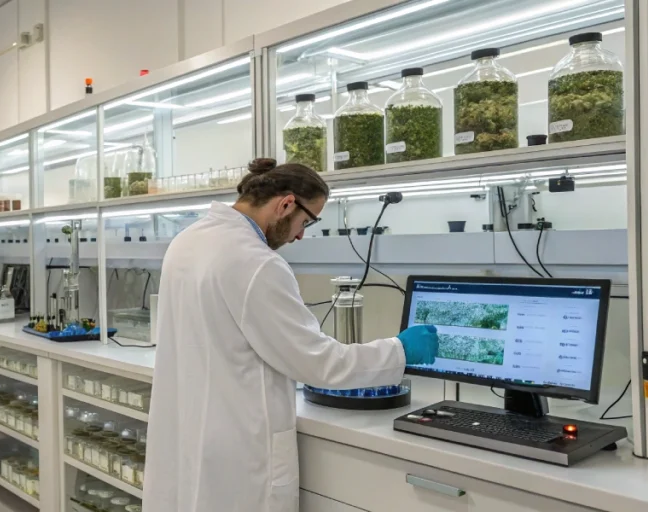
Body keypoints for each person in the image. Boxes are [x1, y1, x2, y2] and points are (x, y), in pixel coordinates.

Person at [142, 158, 439, 512]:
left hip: (194, 432)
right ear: (285, 204)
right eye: (306, 221)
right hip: (240, 451)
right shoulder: (257, 263)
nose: (300, 235)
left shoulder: (188, 240)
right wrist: (399, 350)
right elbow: (318, 363)